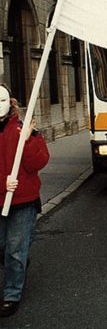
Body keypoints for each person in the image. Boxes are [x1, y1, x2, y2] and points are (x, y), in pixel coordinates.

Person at [0, 84, 49, 316]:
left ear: (10, 103)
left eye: (2, 100)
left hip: (22, 202)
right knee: (4, 248)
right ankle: (16, 266)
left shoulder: (22, 129)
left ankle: (11, 294)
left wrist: (28, 141)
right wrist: (3, 184)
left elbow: (39, 162)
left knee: (15, 250)